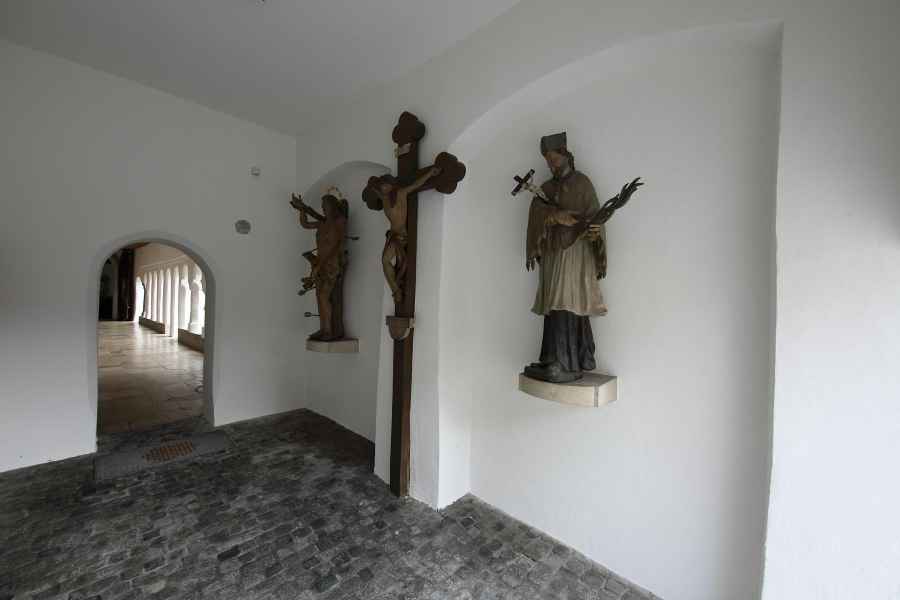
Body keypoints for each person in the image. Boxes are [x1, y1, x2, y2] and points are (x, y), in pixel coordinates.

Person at [522, 132, 640, 383]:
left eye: (553, 158)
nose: (550, 164)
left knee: (566, 302)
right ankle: (551, 358)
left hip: (575, 255)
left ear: (565, 155)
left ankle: (566, 361)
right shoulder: (546, 188)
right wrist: (553, 216)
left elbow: (596, 218)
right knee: (553, 305)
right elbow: (537, 212)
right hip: (553, 254)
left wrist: (595, 232)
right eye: (547, 160)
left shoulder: (582, 183)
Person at [370, 166, 441, 304]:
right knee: (385, 261)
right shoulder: (384, 198)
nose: (382, 188)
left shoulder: (401, 193)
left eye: (384, 185)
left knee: (386, 260)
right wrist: (372, 184)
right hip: (392, 235)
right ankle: (396, 290)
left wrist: (430, 173)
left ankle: (396, 291)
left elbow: (416, 184)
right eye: (381, 186)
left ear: (390, 185)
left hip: (401, 235)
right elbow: (373, 188)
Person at [291, 187, 349, 341]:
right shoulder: (322, 224)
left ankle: (329, 330)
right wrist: (301, 209)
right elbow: (305, 224)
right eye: (323, 207)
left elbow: (337, 244)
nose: (323, 209)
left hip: (331, 264)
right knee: (319, 296)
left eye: (325, 206)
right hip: (320, 263)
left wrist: (322, 263)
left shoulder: (339, 222)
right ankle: (323, 328)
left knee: (324, 296)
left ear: (333, 207)